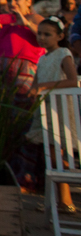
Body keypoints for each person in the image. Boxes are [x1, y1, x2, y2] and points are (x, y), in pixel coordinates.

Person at [29, 16, 79, 213]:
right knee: (49, 155)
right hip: (45, 111)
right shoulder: (42, 58)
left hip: (59, 110)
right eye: (39, 34)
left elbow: (73, 80)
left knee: (57, 153)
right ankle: (58, 199)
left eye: (47, 34)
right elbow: (35, 83)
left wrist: (44, 87)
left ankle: (65, 200)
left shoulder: (63, 54)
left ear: (59, 36)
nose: (42, 38)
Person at [0, 0, 45, 105]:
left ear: (28, 2)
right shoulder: (4, 20)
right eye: (9, 0)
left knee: (24, 106)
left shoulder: (35, 18)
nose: (12, 3)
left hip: (25, 68)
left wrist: (27, 23)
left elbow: (46, 37)